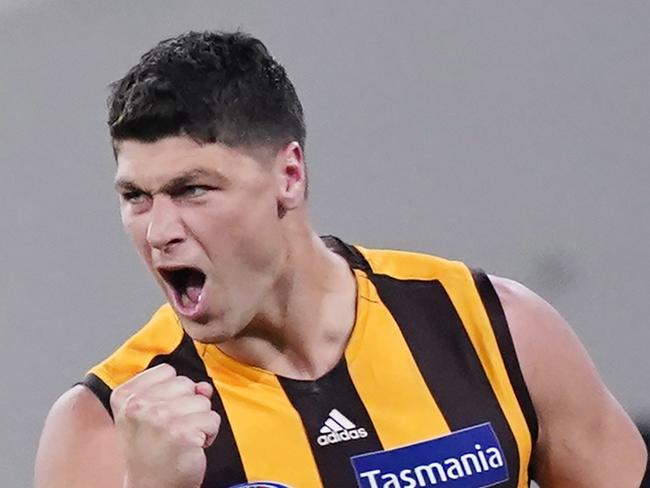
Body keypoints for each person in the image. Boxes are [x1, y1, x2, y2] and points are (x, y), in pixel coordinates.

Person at [34, 31, 647, 488]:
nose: (159, 230)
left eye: (194, 190)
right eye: (135, 197)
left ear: (289, 176)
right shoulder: (103, 428)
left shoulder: (493, 326)